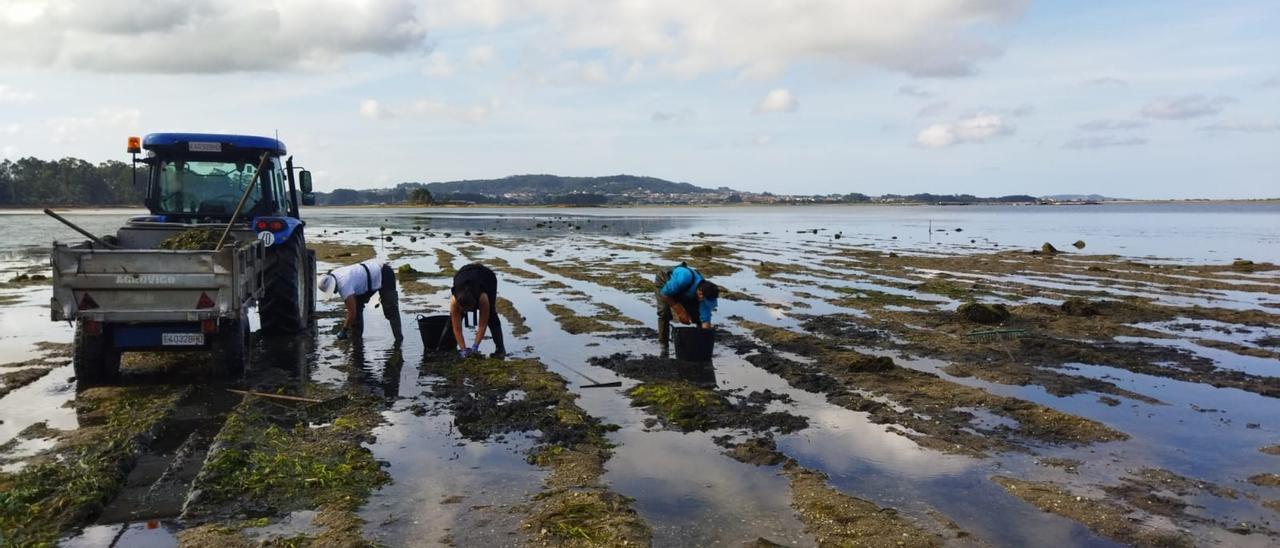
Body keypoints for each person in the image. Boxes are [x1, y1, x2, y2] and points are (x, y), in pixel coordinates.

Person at [318, 258, 403, 342]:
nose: (334, 293)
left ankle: (399, 340)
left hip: (383, 273)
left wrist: (344, 330)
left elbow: (352, 313)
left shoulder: (344, 285)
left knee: (391, 309)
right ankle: (357, 342)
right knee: (357, 307)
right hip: (365, 281)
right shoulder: (333, 274)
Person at [655, 262, 719, 353]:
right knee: (664, 313)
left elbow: (705, 319)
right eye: (703, 299)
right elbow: (664, 294)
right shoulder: (684, 278)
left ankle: (698, 343)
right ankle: (663, 345)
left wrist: (705, 340)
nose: (704, 302)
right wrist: (680, 311)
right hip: (665, 282)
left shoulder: (707, 293)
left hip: (686, 291)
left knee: (697, 316)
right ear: (700, 293)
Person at [450, 263, 506, 358]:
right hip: (463, 273)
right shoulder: (454, 302)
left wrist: (475, 347)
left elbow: (482, 325)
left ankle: (500, 348)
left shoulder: (483, 298)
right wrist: (463, 349)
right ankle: (451, 347)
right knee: (453, 319)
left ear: (475, 303)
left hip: (487, 277)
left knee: (491, 316)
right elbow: (457, 329)